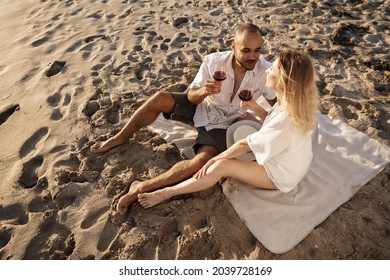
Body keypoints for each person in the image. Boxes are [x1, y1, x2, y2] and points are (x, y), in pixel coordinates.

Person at [90, 23, 276, 214]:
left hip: (224, 123)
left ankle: (140, 187)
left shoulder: (265, 71)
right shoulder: (213, 62)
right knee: (160, 98)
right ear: (233, 46)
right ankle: (119, 137)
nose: (253, 56)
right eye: (246, 50)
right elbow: (191, 96)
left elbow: (278, 104)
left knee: (201, 162)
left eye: (257, 50)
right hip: (202, 106)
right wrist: (205, 90)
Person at [137, 50, 320, 208]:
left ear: (283, 79)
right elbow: (272, 123)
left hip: (281, 175)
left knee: (221, 166)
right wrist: (255, 107)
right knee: (245, 123)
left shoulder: (285, 117)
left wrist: (215, 159)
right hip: (295, 164)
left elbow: (244, 145)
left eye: (273, 68)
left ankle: (166, 193)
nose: (268, 69)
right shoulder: (295, 103)